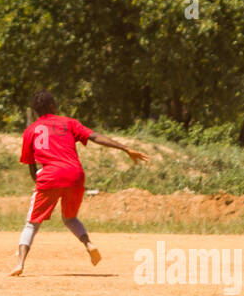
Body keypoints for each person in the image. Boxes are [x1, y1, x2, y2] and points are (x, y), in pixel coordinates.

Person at [10, 90, 146, 276]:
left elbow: (32, 167)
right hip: (75, 176)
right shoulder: (68, 123)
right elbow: (95, 136)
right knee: (70, 218)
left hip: (49, 176)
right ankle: (88, 244)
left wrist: (43, 185)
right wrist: (125, 148)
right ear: (53, 106)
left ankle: (20, 263)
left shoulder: (30, 131)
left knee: (32, 224)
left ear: (35, 110)